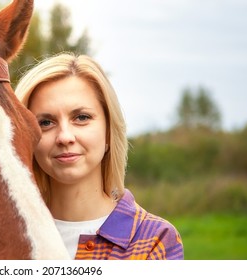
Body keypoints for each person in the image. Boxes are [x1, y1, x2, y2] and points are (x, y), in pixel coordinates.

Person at [14, 53, 184, 260]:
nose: (65, 137)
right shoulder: (3, 235)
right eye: (46, 122)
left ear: (108, 132)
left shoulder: (153, 240)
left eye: (81, 117)